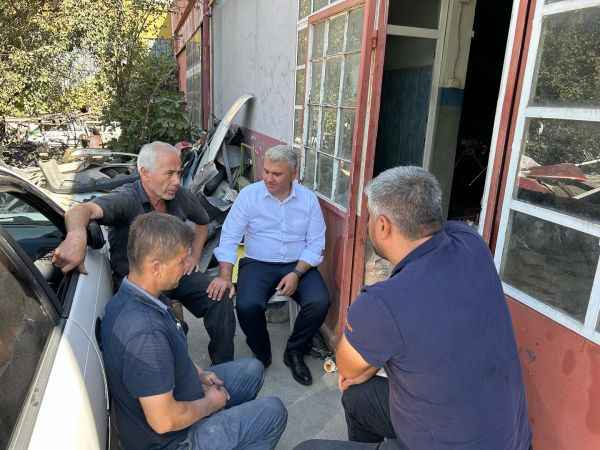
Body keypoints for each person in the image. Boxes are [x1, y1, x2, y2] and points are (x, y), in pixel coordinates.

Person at [295, 167, 532, 450]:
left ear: (382, 226)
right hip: (511, 439)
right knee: (359, 397)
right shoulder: (472, 243)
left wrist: (368, 358)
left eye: (370, 217)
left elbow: (346, 367)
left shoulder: (383, 302)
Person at [101, 212, 287, 450]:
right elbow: (164, 421)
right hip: (173, 440)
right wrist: (210, 404)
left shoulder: (137, 295)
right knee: (273, 412)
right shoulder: (144, 334)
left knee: (252, 370)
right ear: (156, 267)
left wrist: (198, 373)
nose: (187, 266)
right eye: (181, 261)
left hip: (180, 395)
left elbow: (171, 352)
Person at [52, 141, 235, 364]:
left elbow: (203, 222)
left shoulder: (179, 195)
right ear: (145, 173)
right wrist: (76, 237)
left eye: (179, 173)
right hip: (140, 284)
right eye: (169, 174)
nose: (176, 181)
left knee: (219, 296)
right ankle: (176, 385)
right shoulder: (126, 199)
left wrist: (194, 257)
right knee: (172, 329)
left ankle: (224, 367)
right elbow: (82, 210)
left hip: (175, 273)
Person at [208, 145, 329, 386]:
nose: (268, 178)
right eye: (266, 171)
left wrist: (297, 273)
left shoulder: (308, 200)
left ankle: (295, 350)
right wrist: (224, 274)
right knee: (247, 305)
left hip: (299, 263)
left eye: (277, 174)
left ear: (293, 174)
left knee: (320, 302)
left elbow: (316, 244)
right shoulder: (249, 196)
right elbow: (230, 236)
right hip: (257, 263)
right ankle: (261, 354)